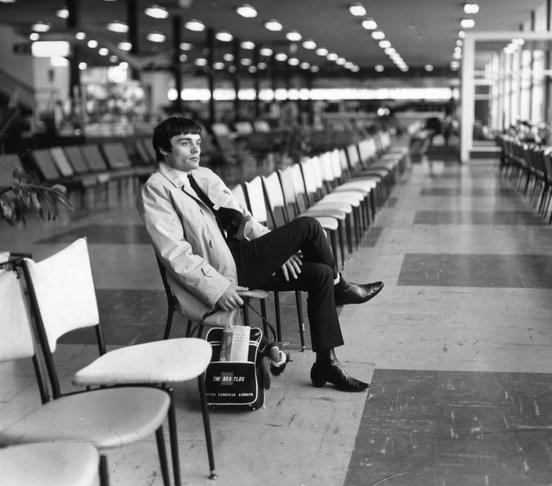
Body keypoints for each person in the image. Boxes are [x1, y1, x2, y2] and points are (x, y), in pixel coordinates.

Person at [137, 116, 384, 392]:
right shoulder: (156, 190)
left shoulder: (204, 175)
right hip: (223, 271)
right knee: (310, 226)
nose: (196, 150)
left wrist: (279, 251)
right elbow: (175, 253)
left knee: (320, 274)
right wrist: (218, 288)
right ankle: (343, 288)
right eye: (185, 143)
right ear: (163, 149)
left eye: (197, 142)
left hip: (245, 256)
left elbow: (245, 219)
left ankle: (326, 363)